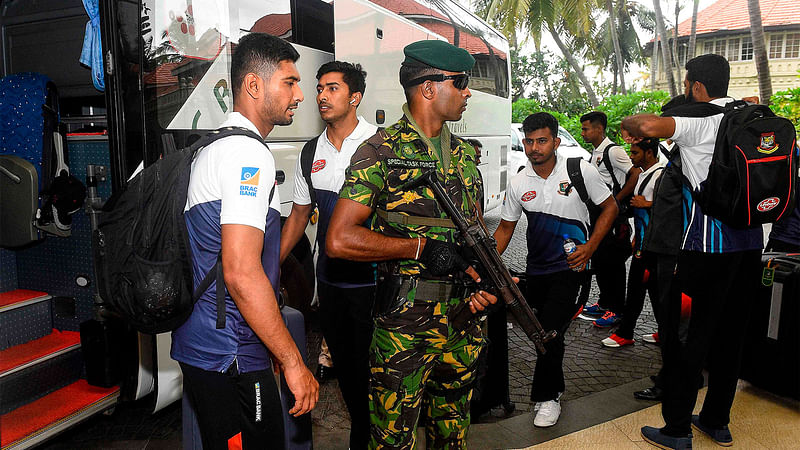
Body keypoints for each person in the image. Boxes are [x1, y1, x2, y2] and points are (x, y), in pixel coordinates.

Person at [326, 39, 498, 449]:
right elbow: (339, 238)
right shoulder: (380, 152)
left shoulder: (465, 156)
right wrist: (416, 249)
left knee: (452, 437)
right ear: (428, 88)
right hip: (405, 326)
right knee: (390, 442)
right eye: (460, 82)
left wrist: (484, 282)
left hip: (463, 323)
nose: (468, 91)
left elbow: (473, 237)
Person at [171, 33, 318, 450]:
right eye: (289, 82)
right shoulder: (246, 155)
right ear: (254, 85)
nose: (300, 94)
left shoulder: (212, 147)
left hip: (206, 344)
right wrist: (293, 361)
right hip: (230, 351)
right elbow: (240, 271)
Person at [621, 53, 763, 449]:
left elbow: (647, 125)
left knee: (688, 337)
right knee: (731, 336)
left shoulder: (701, 120)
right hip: (751, 244)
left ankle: (677, 428)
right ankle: (717, 420)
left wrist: (630, 123)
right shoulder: (749, 116)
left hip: (707, 247)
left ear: (695, 86)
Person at [493, 112, 617, 427]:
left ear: (556, 142)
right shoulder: (520, 181)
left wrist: (590, 247)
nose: (535, 147)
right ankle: (554, 387)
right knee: (543, 329)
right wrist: (486, 262)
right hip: (537, 271)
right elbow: (506, 229)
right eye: (529, 141)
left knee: (549, 331)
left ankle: (547, 398)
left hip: (573, 270)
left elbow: (610, 207)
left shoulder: (580, 171)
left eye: (542, 140)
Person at [279, 60, 377, 449]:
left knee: (381, 367)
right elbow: (300, 215)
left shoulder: (380, 145)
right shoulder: (310, 153)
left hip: (377, 282)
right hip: (333, 283)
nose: (321, 95)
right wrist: (269, 267)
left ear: (355, 97)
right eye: (320, 88)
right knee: (349, 369)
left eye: (332, 88)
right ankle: (361, 435)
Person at [601, 138, 665, 348]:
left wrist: (647, 203)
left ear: (648, 153)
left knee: (636, 290)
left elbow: (673, 208)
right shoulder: (644, 174)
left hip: (653, 247)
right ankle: (665, 332)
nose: (631, 157)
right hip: (643, 243)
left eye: (635, 153)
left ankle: (626, 332)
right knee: (654, 291)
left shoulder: (661, 174)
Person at [580, 111, 640, 327]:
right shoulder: (596, 152)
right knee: (601, 259)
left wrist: (617, 200)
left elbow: (635, 173)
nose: (583, 133)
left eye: (586, 128)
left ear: (599, 128)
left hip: (614, 216)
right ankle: (605, 302)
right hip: (599, 214)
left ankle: (616, 309)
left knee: (613, 262)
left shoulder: (613, 151)